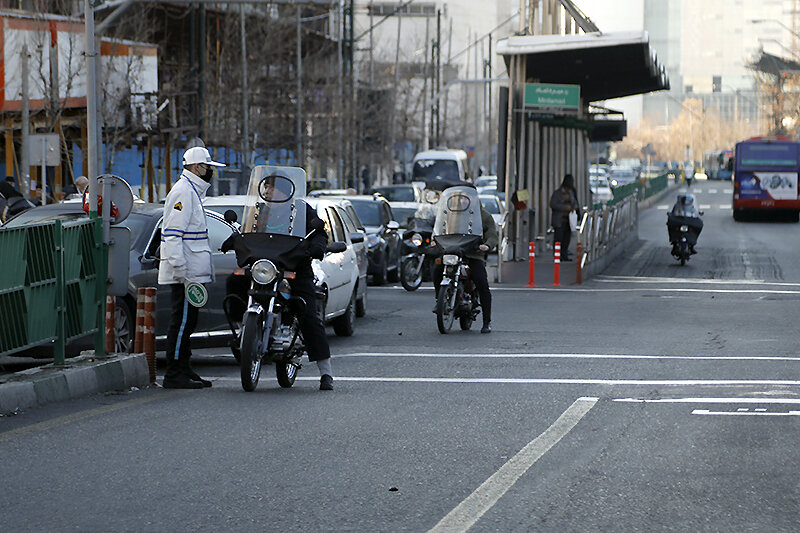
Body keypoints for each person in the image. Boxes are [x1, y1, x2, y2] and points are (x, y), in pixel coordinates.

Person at [158, 146, 225, 389]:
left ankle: (184, 367)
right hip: (186, 274)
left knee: (188, 321)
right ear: (197, 167)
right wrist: (180, 270)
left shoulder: (191, 192)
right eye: (208, 167)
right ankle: (174, 373)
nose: (210, 172)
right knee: (182, 321)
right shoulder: (183, 192)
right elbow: (173, 235)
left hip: (191, 273)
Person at [431, 183, 498, 334]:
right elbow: (440, 227)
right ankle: (439, 300)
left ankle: (487, 321)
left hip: (473, 253)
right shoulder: (450, 213)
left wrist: (487, 245)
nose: (463, 200)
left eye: (467, 197)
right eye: (460, 197)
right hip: (452, 251)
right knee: (437, 267)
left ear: (474, 198)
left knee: (481, 281)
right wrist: (435, 240)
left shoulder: (484, 215)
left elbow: (492, 235)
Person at [549, 174, 579, 261]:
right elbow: (553, 204)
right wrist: (565, 207)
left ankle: (564, 255)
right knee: (558, 238)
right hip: (559, 220)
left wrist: (574, 207)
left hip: (568, 220)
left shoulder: (571, 193)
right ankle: (558, 256)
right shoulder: (557, 193)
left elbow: (575, 202)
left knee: (566, 239)